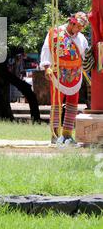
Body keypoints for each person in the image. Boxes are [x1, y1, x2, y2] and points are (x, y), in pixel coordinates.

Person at [40, 12, 89, 145]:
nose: (79, 30)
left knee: (73, 104)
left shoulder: (81, 38)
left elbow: (85, 55)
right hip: (58, 74)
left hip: (75, 75)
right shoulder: (55, 33)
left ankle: (67, 134)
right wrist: (46, 66)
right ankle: (55, 134)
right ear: (72, 23)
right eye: (78, 26)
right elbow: (46, 49)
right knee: (56, 104)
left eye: (81, 28)